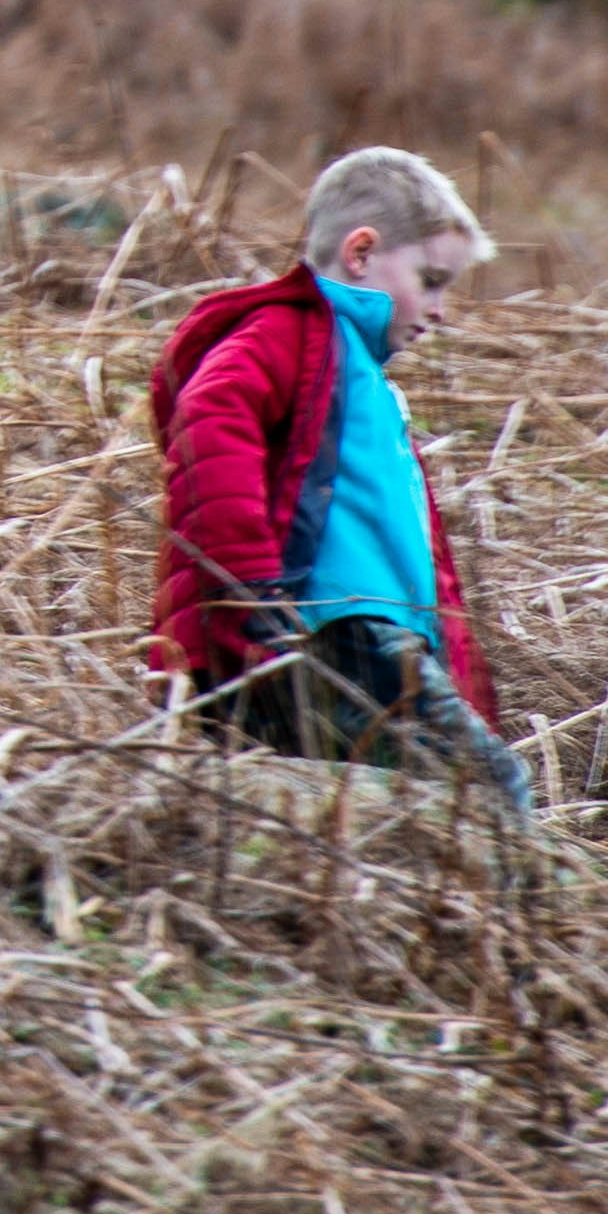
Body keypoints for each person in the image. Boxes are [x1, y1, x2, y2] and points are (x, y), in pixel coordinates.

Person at [146, 144, 530, 813]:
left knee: (393, 815)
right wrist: (252, 591)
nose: (441, 309)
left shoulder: (355, 372)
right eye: (433, 280)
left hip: (364, 636)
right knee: (489, 793)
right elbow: (209, 418)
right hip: (336, 633)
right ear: (360, 253)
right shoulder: (286, 333)